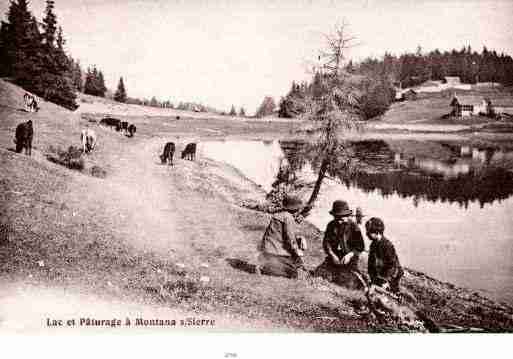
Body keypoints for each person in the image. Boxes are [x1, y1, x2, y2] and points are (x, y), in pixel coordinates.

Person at [256, 195, 308, 279]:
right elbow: (290, 239)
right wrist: (297, 251)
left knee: (292, 264)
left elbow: (281, 234)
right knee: (293, 273)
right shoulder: (288, 218)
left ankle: (265, 264)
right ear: (295, 209)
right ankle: (265, 268)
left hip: (267, 249)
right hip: (276, 252)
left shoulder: (278, 215)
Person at [314, 200, 366, 285]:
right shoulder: (331, 225)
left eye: (341, 219)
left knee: (346, 282)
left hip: (349, 260)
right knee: (319, 274)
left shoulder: (354, 227)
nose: (339, 221)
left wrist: (349, 255)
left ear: (347, 216)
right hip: (334, 258)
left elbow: (360, 247)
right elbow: (326, 243)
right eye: (336, 218)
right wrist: (332, 255)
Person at [366, 217, 404, 293]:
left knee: (391, 293)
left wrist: (385, 280)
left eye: (369, 232)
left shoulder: (387, 245)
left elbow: (392, 266)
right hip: (381, 273)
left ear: (377, 232)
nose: (367, 234)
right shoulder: (373, 245)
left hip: (393, 275)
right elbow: (371, 263)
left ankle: (396, 293)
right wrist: (372, 277)